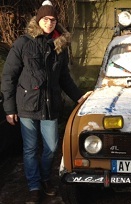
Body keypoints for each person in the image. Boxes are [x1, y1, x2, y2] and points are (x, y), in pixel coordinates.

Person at [1, 0, 91, 203]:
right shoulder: (23, 43)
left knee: (51, 147)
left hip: (50, 106)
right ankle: (34, 186)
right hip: (27, 106)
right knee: (30, 148)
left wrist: (78, 96)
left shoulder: (60, 46)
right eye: (46, 19)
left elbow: (64, 77)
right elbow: (9, 76)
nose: (49, 23)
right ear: (38, 20)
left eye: (53, 19)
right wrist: (9, 108)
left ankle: (44, 179)